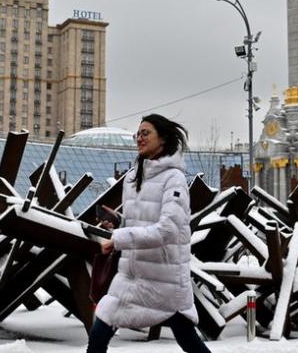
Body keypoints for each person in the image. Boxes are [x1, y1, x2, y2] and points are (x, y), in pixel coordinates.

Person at [87, 114, 210, 353]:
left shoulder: (174, 179)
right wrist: (118, 222)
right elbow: (138, 223)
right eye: (138, 134)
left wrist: (118, 240)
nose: (140, 139)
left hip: (164, 279)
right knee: (99, 333)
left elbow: (167, 230)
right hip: (130, 277)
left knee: (187, 338)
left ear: (162, 139)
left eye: (146, 133)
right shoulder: (132, 178)